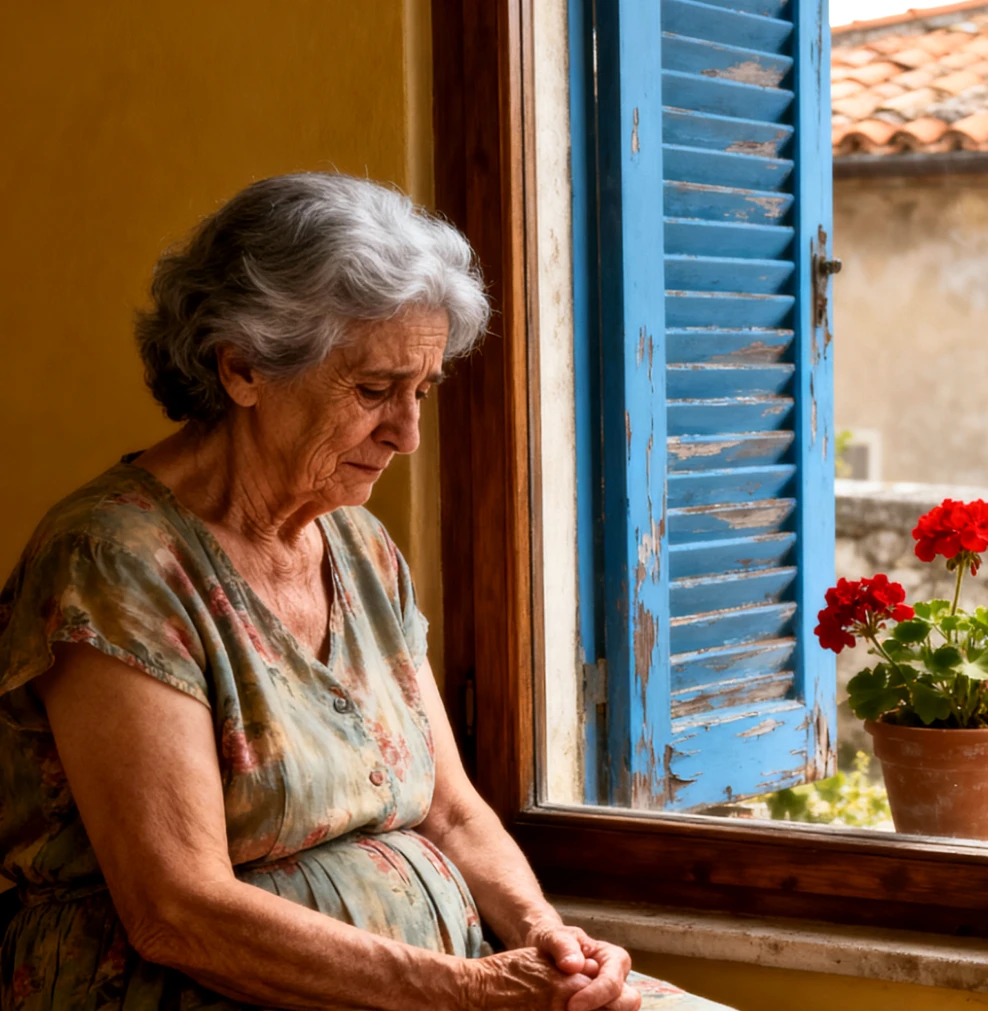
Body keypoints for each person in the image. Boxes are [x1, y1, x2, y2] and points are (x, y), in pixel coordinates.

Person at [0, 173, 699, 1009]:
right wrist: (471, 991)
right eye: (374, 390)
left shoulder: (359, 544)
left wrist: (544, 936)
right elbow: (176, 910)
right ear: (243, 368)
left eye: (423, 390)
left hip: (442, 984)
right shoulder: (115, 561)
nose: (406, 433)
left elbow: (450, 810)